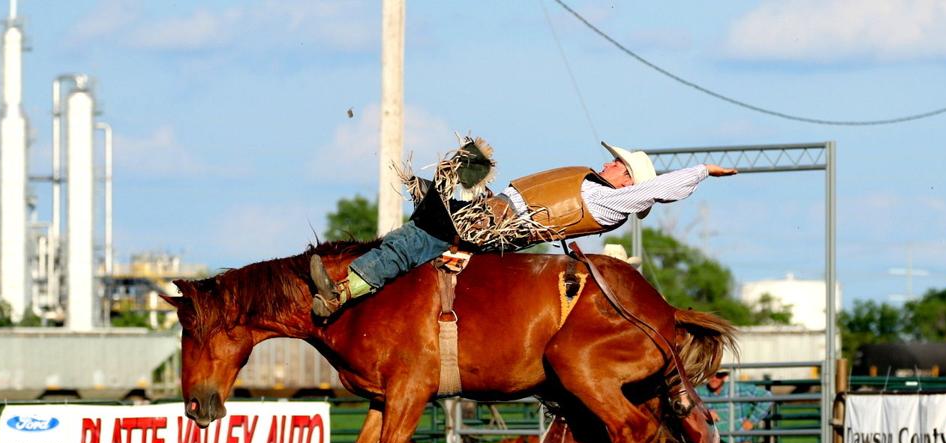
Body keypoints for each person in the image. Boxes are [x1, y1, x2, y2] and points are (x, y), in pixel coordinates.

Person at [310, 140, 738, 317]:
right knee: (424, 224)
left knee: (414, 239)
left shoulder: (612, 201)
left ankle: (342, 292)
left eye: (617, 163)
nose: (609, 162)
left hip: (496, 224)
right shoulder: (594, 188)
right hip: (493, 214)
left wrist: (701, 171)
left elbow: (655, 190)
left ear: (627, 180)